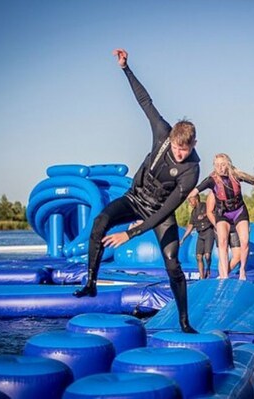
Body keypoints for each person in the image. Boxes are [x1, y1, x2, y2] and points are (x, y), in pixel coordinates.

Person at [73, 48, 200, 334]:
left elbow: (168, 210)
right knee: (100, 221)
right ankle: (90, 283)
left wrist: (131, 233)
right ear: (172, 139)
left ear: (193, 144)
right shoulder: (162, 132)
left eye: (185, 149)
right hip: (135, 199)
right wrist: (125, 68)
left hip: (159, 212)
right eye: (177, 148)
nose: (180, 154)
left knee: (172, 263)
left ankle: (184, 321)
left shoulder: (192, 171)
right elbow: (145, 100)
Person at [188, 153, 254, 280]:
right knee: (222, 242)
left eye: (223, 164)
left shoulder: (236, 174)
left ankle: (242, 271)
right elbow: (195, 191)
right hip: (222, 214)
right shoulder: (211, 180)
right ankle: (224, 275)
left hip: (239, 211)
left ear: (228, 164)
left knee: (245, 242)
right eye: (217, 165)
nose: (220, 168)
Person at [179, 195, 214, 279]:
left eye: (191, 201)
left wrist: (204, 215)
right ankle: (202, 277)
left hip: (208, 231)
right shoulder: (193, 212)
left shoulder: (205, 205)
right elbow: (191, 226)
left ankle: (208, 269)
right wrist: (183, 238)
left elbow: (213, 211)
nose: (190, 204)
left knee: (207, 256)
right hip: (200, 234)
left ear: (196, 199)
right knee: (198, 256)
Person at [206, 192, 241, 273]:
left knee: (238, 255)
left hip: (233, 225)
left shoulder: (234, 190)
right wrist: (217, 225)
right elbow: (209, 212)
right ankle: (223, 275)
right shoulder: (213, 193)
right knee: (223, 251)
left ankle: (224, 273)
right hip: (220, 224)